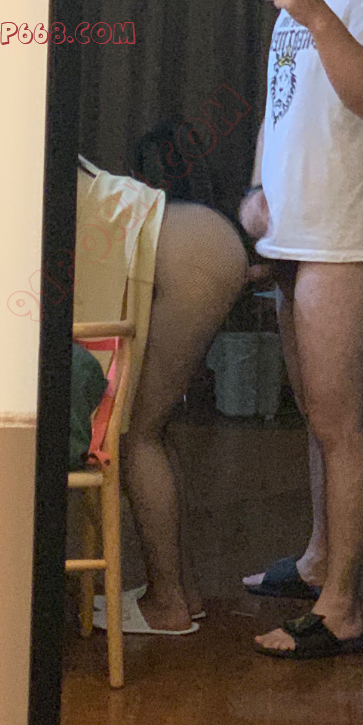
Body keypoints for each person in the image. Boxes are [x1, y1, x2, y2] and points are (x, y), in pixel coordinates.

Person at [240, 0, 363, 657]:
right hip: (294, 231)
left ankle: (341, 607)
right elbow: (280, 104)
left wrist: (315, 14)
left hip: (343, 238)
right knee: (318, 420)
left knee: (341, 427)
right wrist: (258, 187)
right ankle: (318, 561)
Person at [75, 157, 250, 635]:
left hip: (189, 259)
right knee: (153, 430)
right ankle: (183, 593)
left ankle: (168, 603)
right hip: (200, 238)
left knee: (135, 435)